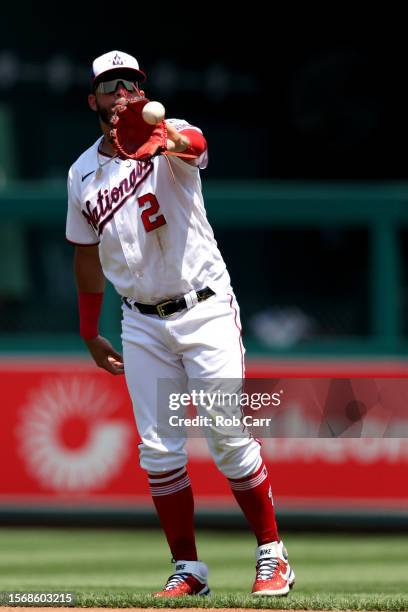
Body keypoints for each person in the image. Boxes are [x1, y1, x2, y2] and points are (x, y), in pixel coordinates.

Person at [66, 49, 295, 598]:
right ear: (92, 98)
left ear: (141, 89)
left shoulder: (171, 131)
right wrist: (88, 330)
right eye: (109, 85)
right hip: (139, 321)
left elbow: (197, 145)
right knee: (158, 450)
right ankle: (188, 569)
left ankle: (272, 554)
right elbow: (85, 253)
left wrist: (163, 139)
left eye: (129, 82)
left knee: (226, 435)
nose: (120, 91)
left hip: (203, 306)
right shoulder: (82, 172)